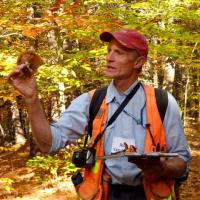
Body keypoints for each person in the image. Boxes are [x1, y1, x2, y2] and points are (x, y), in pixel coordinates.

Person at [8, 29, 191, 200]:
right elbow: (49, 143)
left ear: (138, 62)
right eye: (109, 50)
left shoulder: (162, 102)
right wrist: (32, 99)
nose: (109, 57)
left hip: (147, 193)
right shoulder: (91, 101)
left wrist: (162, 167)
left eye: (119, 53)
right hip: (105, 193)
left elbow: (182, 160)